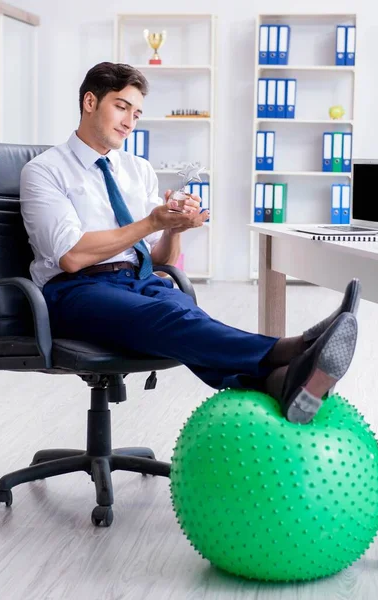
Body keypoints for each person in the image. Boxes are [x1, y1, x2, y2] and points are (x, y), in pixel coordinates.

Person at [20, 62, 360, 425]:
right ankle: (291, 349)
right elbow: (71, 256)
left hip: (138, 279)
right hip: (75, 290)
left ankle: (278, 381)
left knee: (185, 315)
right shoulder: (45, 170)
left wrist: (174, 229)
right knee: (172, 317)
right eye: (121, 107)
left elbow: (159, 258)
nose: (130, 122)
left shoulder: (138, 169)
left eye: (136, 114)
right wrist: (151, 220)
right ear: (90, 101)